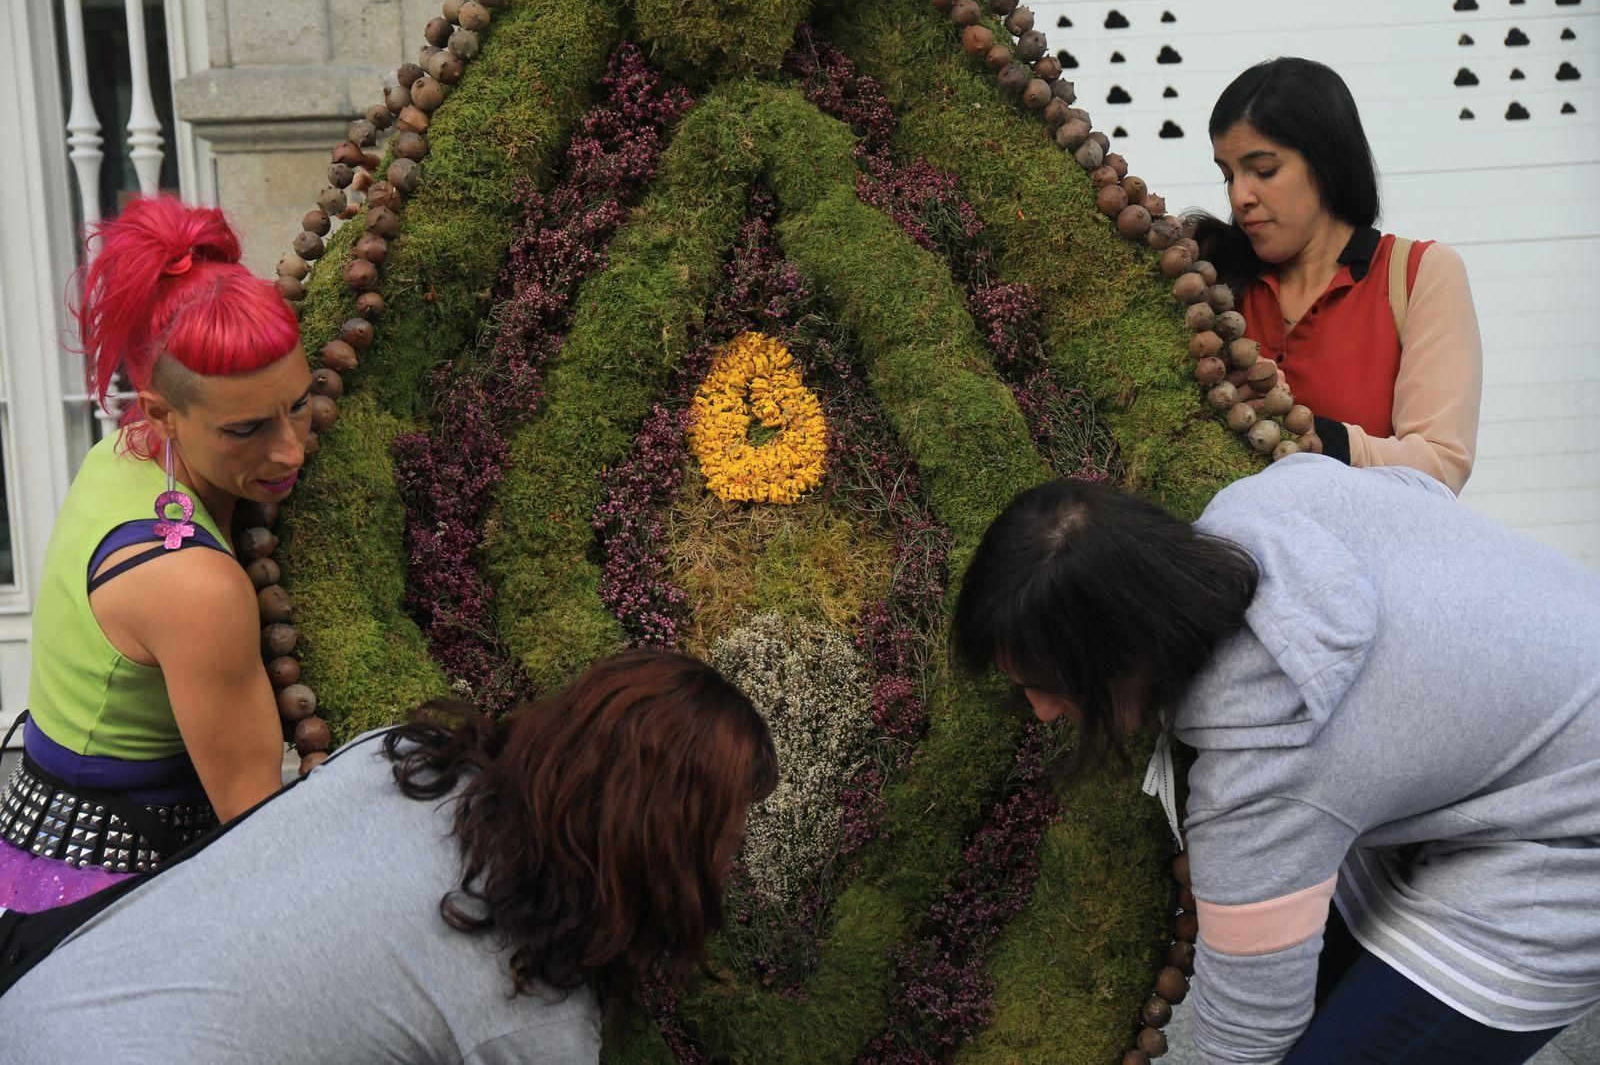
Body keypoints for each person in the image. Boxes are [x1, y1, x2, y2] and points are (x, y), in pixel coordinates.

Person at [952, 456, 1600, 1062]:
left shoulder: (1263, 769)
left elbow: (1245, 1038)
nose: (1039, 710)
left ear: (1120, 652)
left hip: (1574, 841)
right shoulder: (1269, 496)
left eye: (1049, 683)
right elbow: (1419, 491)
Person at [0, 650, 778, 1063]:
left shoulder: (402, 759)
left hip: (33, 1000)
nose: (729, 861)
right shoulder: (530, 1021)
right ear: (662, 843)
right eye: (728, 836)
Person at [0, 195, 308, 910]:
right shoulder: (195, 587)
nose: (292, 448)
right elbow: (260, 833)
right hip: (111, 909)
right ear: (161, 410)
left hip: (30, 854)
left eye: (300, 402)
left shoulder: (119, 454)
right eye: (248, 428)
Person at [1193, 58, 1483, 495]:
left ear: (1327, 161)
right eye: (1228, 175)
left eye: (1264, 170)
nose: (1240, 196)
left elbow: (1441, 464)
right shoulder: (1213, 280)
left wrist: (1318, 440)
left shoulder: (1417, 274)